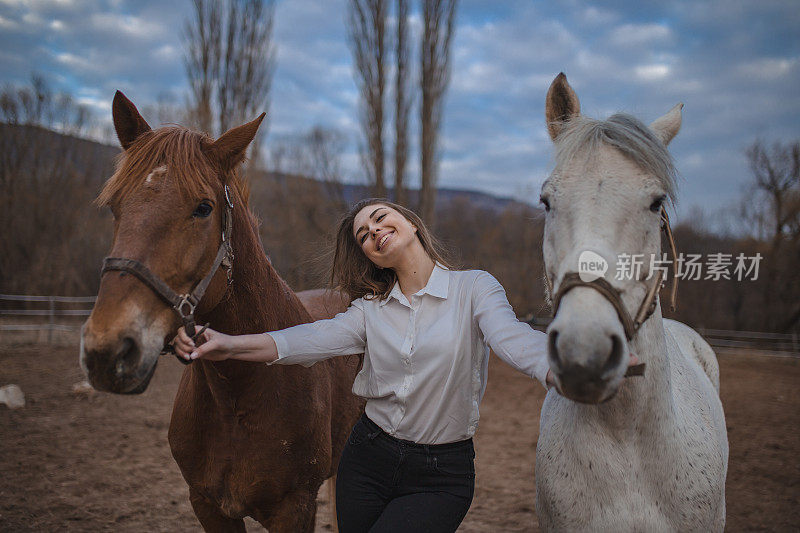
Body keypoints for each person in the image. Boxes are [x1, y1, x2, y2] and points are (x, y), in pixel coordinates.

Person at [172, 198, 623, 532]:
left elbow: (514, 340)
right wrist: (226, 343)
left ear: (410, 222)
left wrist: (564, 366)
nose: (373, 232)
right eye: (363, 236)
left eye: (380, 218)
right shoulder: (369, 312)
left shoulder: (474, 289)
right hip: (367, 459)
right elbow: (300, 342)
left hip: (441, 473)